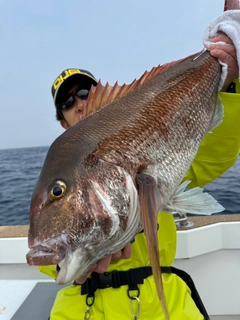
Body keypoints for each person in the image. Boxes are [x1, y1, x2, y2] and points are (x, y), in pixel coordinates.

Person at [40, 34, 240, 320]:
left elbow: (214, 159)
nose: (80, 103)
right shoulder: (57, 170)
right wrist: (83, 255)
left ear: (101, 97)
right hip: (83, 303)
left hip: (161, 299)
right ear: (62, 121)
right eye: (68, 102)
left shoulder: (155, 137)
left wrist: (228, 82)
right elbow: (47, 253)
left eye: (85, 93)